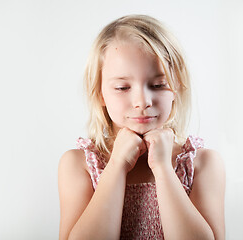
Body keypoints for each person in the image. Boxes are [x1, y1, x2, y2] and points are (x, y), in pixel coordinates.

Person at [58, 14, 225, 240]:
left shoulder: (202, 164)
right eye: (122, 87)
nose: (142, 101)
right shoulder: (80, 165)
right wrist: (116, 166)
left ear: (177, 87)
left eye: (158, 85)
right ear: (100, 93)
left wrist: (164, 169)